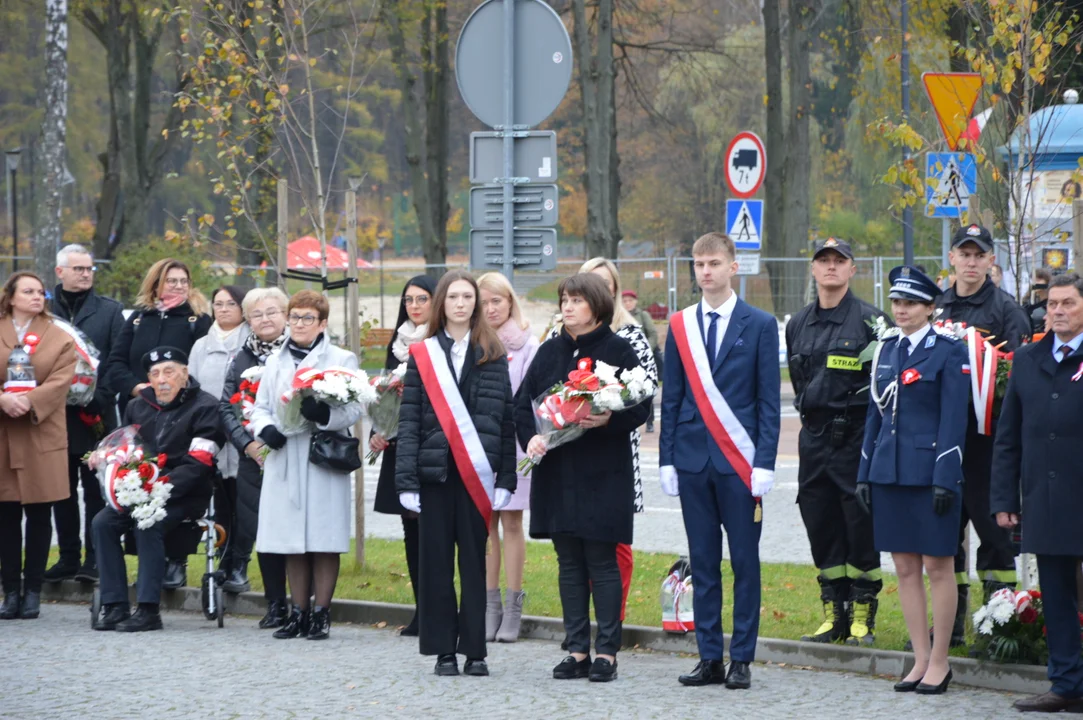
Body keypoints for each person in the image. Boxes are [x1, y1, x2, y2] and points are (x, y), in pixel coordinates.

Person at [659, 232, 781, 690]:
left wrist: (765, 461)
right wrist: (666, 459)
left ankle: (742, 658)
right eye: (698, 264)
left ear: (733, 266)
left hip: (741, 463)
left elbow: (769, 401)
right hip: (692, 460)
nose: (705, 272)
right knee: (703, 564)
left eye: (713, 263)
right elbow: (671, 397)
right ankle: (709, 656)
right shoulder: (679, 325)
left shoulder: (760, 324)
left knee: (745, 564)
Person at [518, 273, 650, 683]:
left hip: (602, 472)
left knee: (601, 561)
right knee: (568, 563)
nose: (567, 307)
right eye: (563, 300)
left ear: (596, 304)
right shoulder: (548, 351)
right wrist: (532, 441)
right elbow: (523, 405)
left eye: (575, 300)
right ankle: (576, 649)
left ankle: (607, 651)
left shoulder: (617, 348)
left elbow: (642, 407)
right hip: (558, 474)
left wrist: (610, 417)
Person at [395, 270, 517, 678]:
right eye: (453, 297)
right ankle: (443, 649)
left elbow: (505, 422)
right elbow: (409, 419)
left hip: (476, 478)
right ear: (441, 303)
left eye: (468, 297)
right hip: (434, 477)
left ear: (476, 304)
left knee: (474, 566)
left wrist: (505, 479)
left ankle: (475, 651)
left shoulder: (493, 352)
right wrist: (406, 481)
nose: (461, 304)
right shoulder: (423, 353)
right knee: (435, 566)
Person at [857, 266, 968, 694]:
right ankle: (920, 659)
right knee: (904, 568)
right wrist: (866, 472)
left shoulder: (948, 350)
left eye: (910, 303)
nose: (901, 310)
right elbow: (875, 416)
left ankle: (941, 660)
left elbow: (955, 419)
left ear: (930, 308)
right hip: (890, 472)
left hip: (930, 475)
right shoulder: (886, 349)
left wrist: (946, 476)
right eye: (897, 302)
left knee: (939, 567)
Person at [785, 238, 885, 645]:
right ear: (813, 269)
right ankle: (833, 613)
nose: (830, 267)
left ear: (852, 270)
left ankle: (863, 614)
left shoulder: (870, 321)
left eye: (838, 261)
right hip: (813, 438)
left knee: (860, 526)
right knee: (820, 524)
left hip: (855, 437)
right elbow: (799, 382)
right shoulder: (798, 323)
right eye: (823, 261)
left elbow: (883, 388)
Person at [546, 258, 657, 626]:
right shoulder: (556, 338)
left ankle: (611, 626)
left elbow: (643, 392)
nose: (576, 301)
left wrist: (609, 416)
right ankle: (578, 635)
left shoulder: (627, 336)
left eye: (602, 284)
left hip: (612, 450)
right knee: (572, 555)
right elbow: (537, 393)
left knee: (610, 547)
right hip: (564, 452)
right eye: (575, 292)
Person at [249, 290, 364, 641]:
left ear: (323, 323)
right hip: (286, 454)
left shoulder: (342, 358)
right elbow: (261, 406)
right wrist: (266, 429)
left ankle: (321, 613)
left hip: (322, 455)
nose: (299, 324)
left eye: (307, 318)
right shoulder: (274, 361)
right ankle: (297, 611)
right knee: (291, 540)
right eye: (295, 317)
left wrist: (326, 414)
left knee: (323, 538)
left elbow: (357, 407)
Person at [991, 273, 1083, 713]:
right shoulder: (1028, 359)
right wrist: (1005, 500)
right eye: (1052, 304)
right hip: (1044, 499)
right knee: (1057, 595)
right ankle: (1065, 684)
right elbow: (1008, 437)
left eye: (1068, 303)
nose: (1058, 311)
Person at [936, 224, 1031, 646]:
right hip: (943, 446)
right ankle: (950, 628)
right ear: (952, 258)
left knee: (995, 541)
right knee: (943, 539)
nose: (971, 262)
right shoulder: (936, 307)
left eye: (980, 255)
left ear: (991, 260)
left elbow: (1016, 378)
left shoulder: (1007, 311)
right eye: (964, 253)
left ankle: (997, 628)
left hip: (988, 445)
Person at [91, 346, 224, 631]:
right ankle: (114, 605)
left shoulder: (206, 406)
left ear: (184, 373)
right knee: (102, 522)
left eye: (169, 371)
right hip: (138, 492)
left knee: (146, 523)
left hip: (184, 494)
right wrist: (105, 459)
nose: (162, 380)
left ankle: (149, 609)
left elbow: (200, 462)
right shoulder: (137, 406)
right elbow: (125, 449)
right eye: (154, 374)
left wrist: (160, 487)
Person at [106, 258, 212, 590]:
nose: (179, 286)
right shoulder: (138, 319)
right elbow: (116, 363)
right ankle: (145, 564)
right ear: (156, 284)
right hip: (141, 413)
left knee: (173, 483)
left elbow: (201, 366)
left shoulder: (197, 321)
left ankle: (175, 559)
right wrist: (138, 388)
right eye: (171, 281)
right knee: (138, 487)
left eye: (184, 281)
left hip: (183, 415)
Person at [43, 245, 125, 585]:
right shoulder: (43, 311)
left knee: (96, 489)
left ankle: (93, 560)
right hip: (53, 416)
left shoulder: (109, 311)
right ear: (60, 272)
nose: (86, 274)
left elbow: (119, 359)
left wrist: (100, 396)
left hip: (96, 418)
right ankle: (67, 557)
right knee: (60, 490)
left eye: (89, 269)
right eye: (78, 269)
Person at [0, 272, 77, 620]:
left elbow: (63, 379)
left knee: (39, 513)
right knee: (6, 515)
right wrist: (2, 399)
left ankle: (33, 591)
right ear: (11, 296)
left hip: (40, 431)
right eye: (28, 291)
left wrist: (28, 401)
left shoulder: (59, 335)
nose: (36, 297)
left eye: (40, 292)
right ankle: (10, 592)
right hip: (3, 432)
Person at [217, 287, 290, 626]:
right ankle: (275, 604)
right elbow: (226, 406)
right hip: (253, 460)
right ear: (247, 320)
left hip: (292, 455)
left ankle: (302, 601)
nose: (265, 319)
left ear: (286, 314)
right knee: (264, 530)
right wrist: (247, 444)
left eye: (272, 312)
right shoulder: (241, 358)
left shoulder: (299, 352)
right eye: (257, 314)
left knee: (294, 531)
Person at [370, 274, 436, 637]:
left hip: (432, 445)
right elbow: (384, 394)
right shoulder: (397, 343)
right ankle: (422, 610)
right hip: (399, 446)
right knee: (410, 529)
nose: (414, 305)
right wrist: (378, 431)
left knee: (433, 530)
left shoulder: (440, 341)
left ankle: (440, 608)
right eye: (409, 299)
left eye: (422, 299)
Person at [478, 271, 539, 643]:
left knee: (512, 524)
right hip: (481, 445)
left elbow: (532, 399)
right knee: (485, 527)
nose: (490, 309)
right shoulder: (472, 343)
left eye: (496, 301)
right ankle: (490, 606)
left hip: (514, 444)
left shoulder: (528, 345)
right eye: (483, 303)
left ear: (510, 302)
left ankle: (514, 607)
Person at [188, 285, 250, 591]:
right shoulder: (201, 346)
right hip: (212, 436)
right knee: (220, 505)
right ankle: (222, 563)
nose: (223, 309)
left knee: (244, 504)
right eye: (218, 304)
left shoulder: (251, 342)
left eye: (230, 304)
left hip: (243, 436)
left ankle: (240, 563)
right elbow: (193, 390)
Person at [621, 289, 661, 433]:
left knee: (646, 390)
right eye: (624, 301)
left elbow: (652, 334)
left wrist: (644, 351)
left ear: (635, 301)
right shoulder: (619, 317)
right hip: (625, 359)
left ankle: (650, 422)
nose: (628, 304)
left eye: (630, 301)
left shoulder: (643, 315)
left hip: (642, 359)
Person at [1023, 267, 1052, 335]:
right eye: (1033, 280)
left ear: (1047, 282)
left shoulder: (1050, 302)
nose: (1035, 283)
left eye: (1038, 280)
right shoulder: (1028, 301)